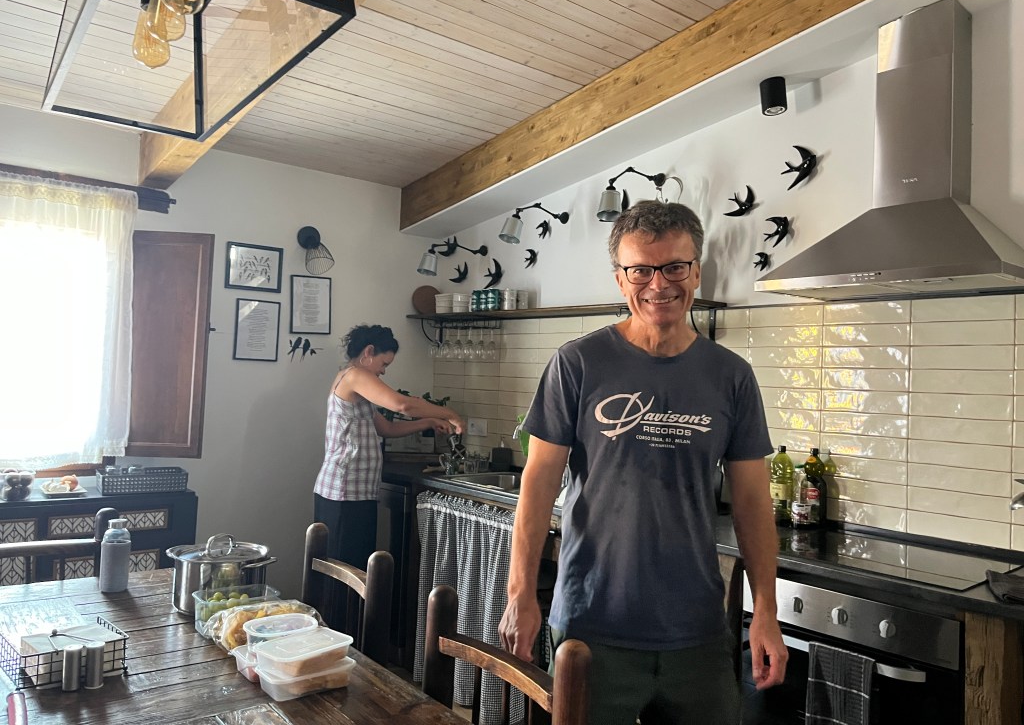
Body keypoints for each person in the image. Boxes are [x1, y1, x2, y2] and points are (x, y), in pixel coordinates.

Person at [498, 200, 787, 724]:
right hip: (592, 622)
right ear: (620, 279)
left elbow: (752, 502)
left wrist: (764, 610)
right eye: (641, 270)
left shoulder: (732, 376)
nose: (659, 284)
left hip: (697, 631)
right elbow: (537, 485)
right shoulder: (577, 363)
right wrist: (520, 593)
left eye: (675, 266)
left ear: (696, 272)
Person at [314, 324, 466, 568]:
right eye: (383, 363)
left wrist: (429, 421)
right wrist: (449, 413)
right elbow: (402, 405)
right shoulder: (355, 375)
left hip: (352, 492)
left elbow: (387, 429)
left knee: (352, 569)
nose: (383, 371)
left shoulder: (354, 381)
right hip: (344, 492)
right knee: (346, 571)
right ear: (368, 352)